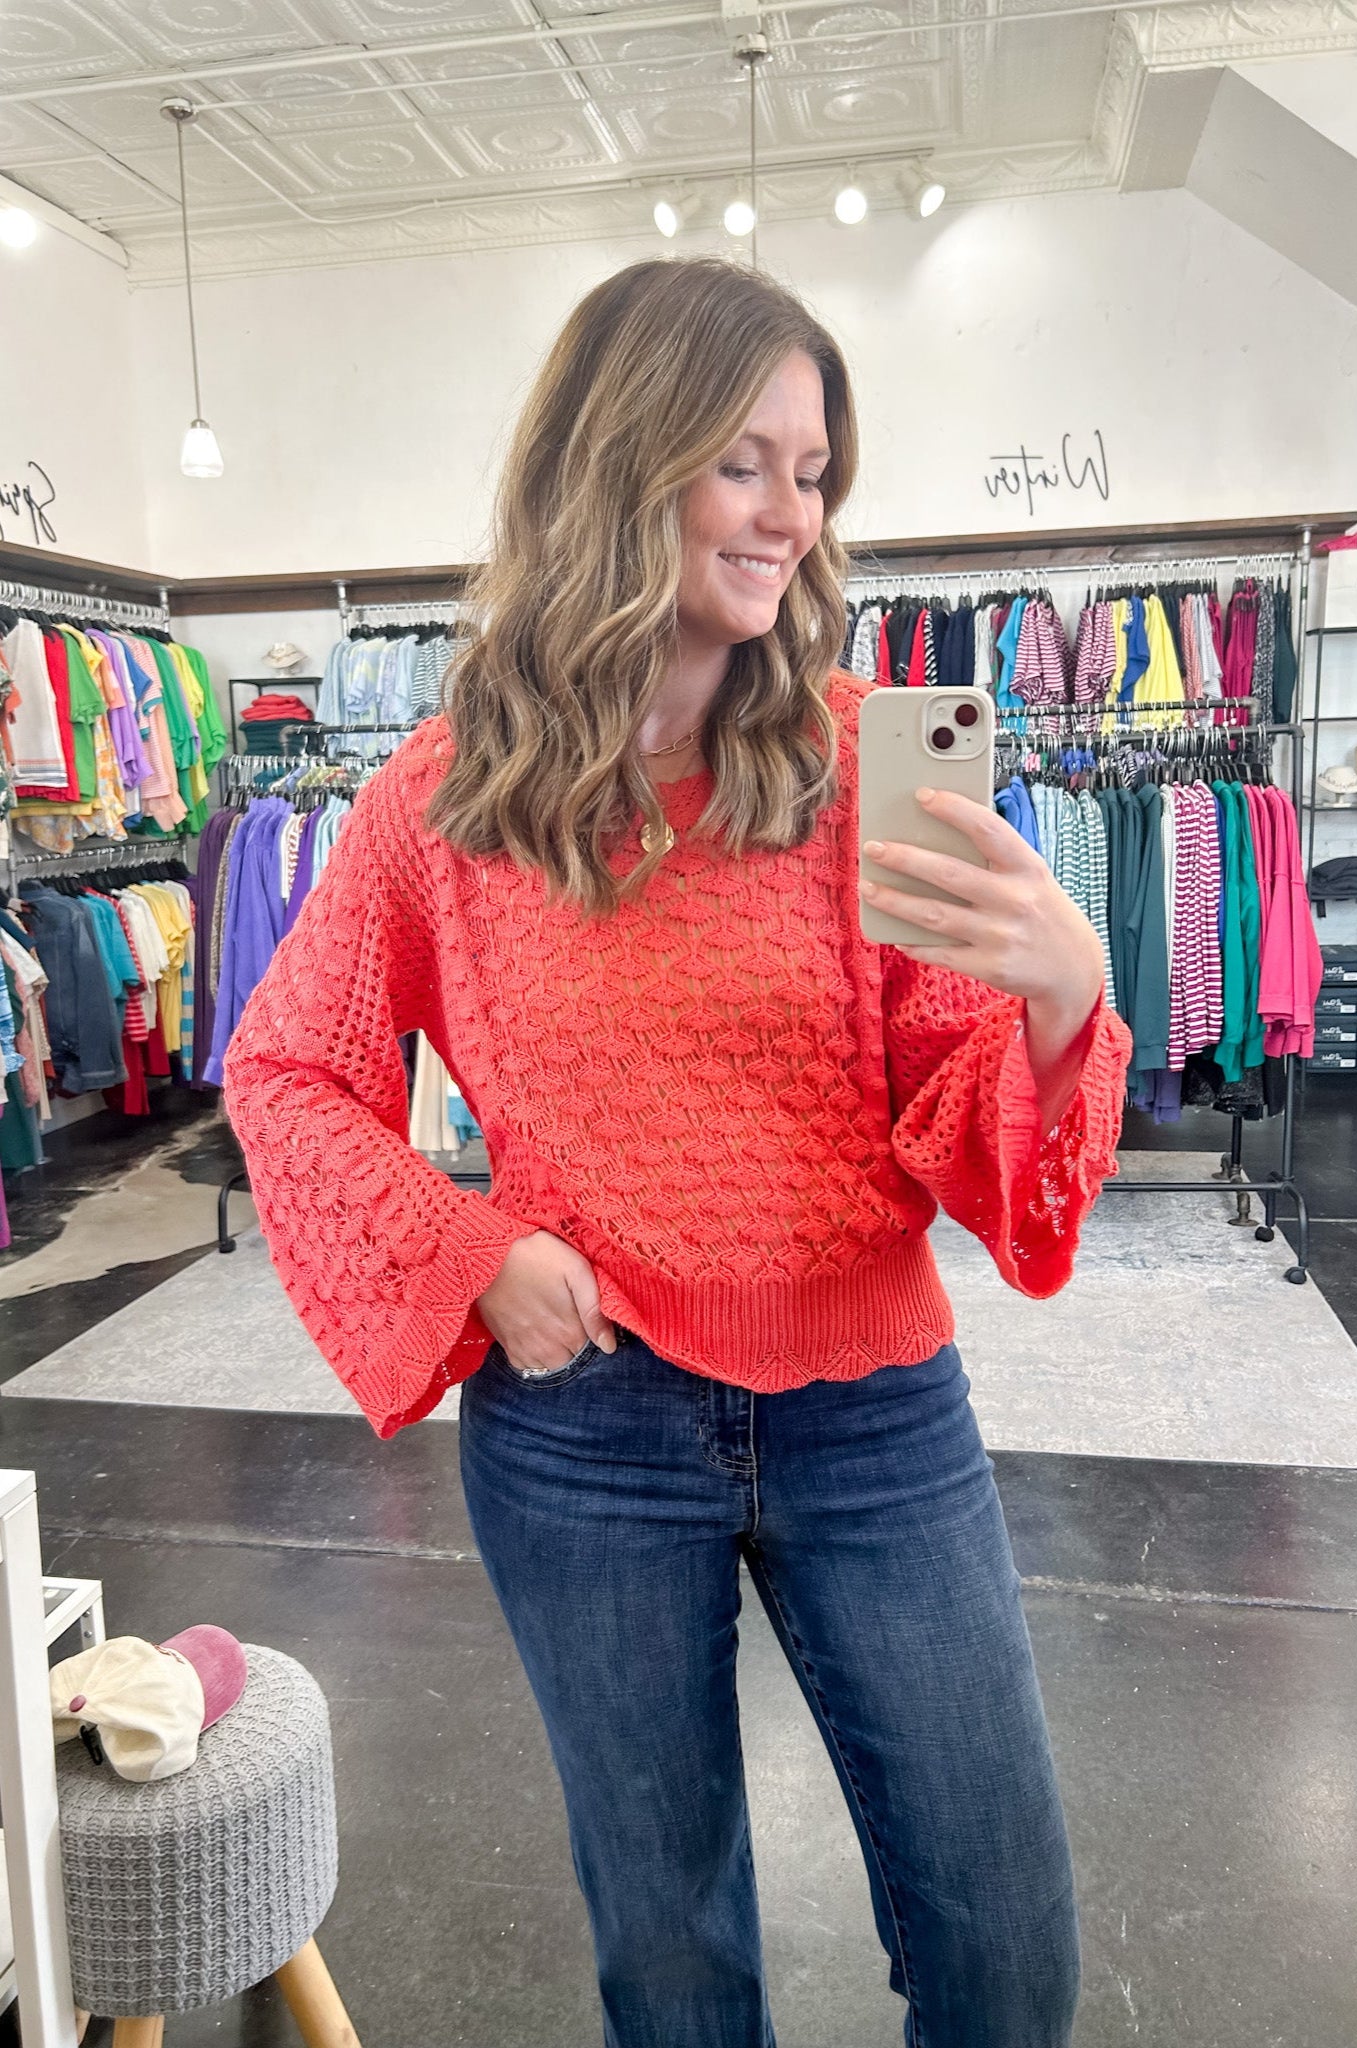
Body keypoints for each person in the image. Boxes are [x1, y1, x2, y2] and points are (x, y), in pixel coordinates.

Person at [224, 256, 1131, 2048]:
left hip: (874, 1413)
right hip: (586, 1434)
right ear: (619, 462)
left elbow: (964, 1113)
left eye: (814, 471)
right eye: (747, 461)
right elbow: (289, 1070)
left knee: (1002, 1927)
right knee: (669, 1947)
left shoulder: (865, 763)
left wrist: (1056, 1001)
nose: (792, 514)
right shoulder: (444, 796)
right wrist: (470, 1249)